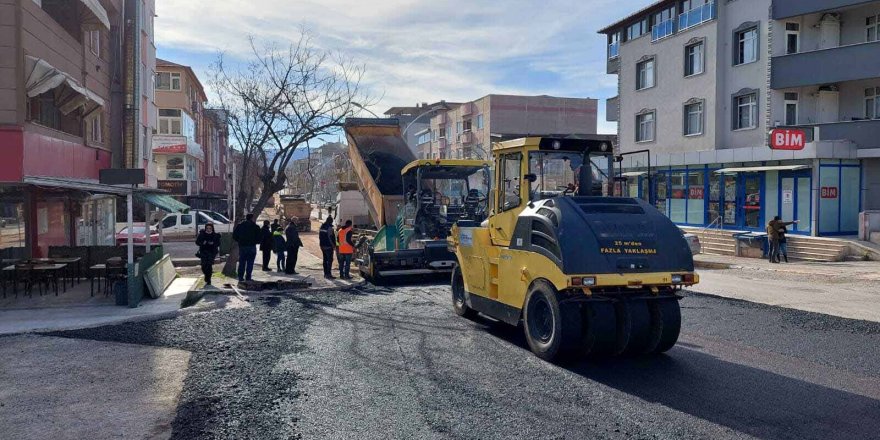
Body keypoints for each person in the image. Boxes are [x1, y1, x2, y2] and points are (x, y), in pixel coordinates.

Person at [232, 213, 261, 281]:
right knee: (250, 263)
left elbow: (234, 236)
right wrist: (255, 242)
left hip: (242, 246)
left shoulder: (240, 226)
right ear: (252, 218)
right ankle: (248, 277)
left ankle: (240, 277)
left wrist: (240, 241)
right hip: (252, 246)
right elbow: (259, 238)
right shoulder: (256, 227)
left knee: (242, 262)